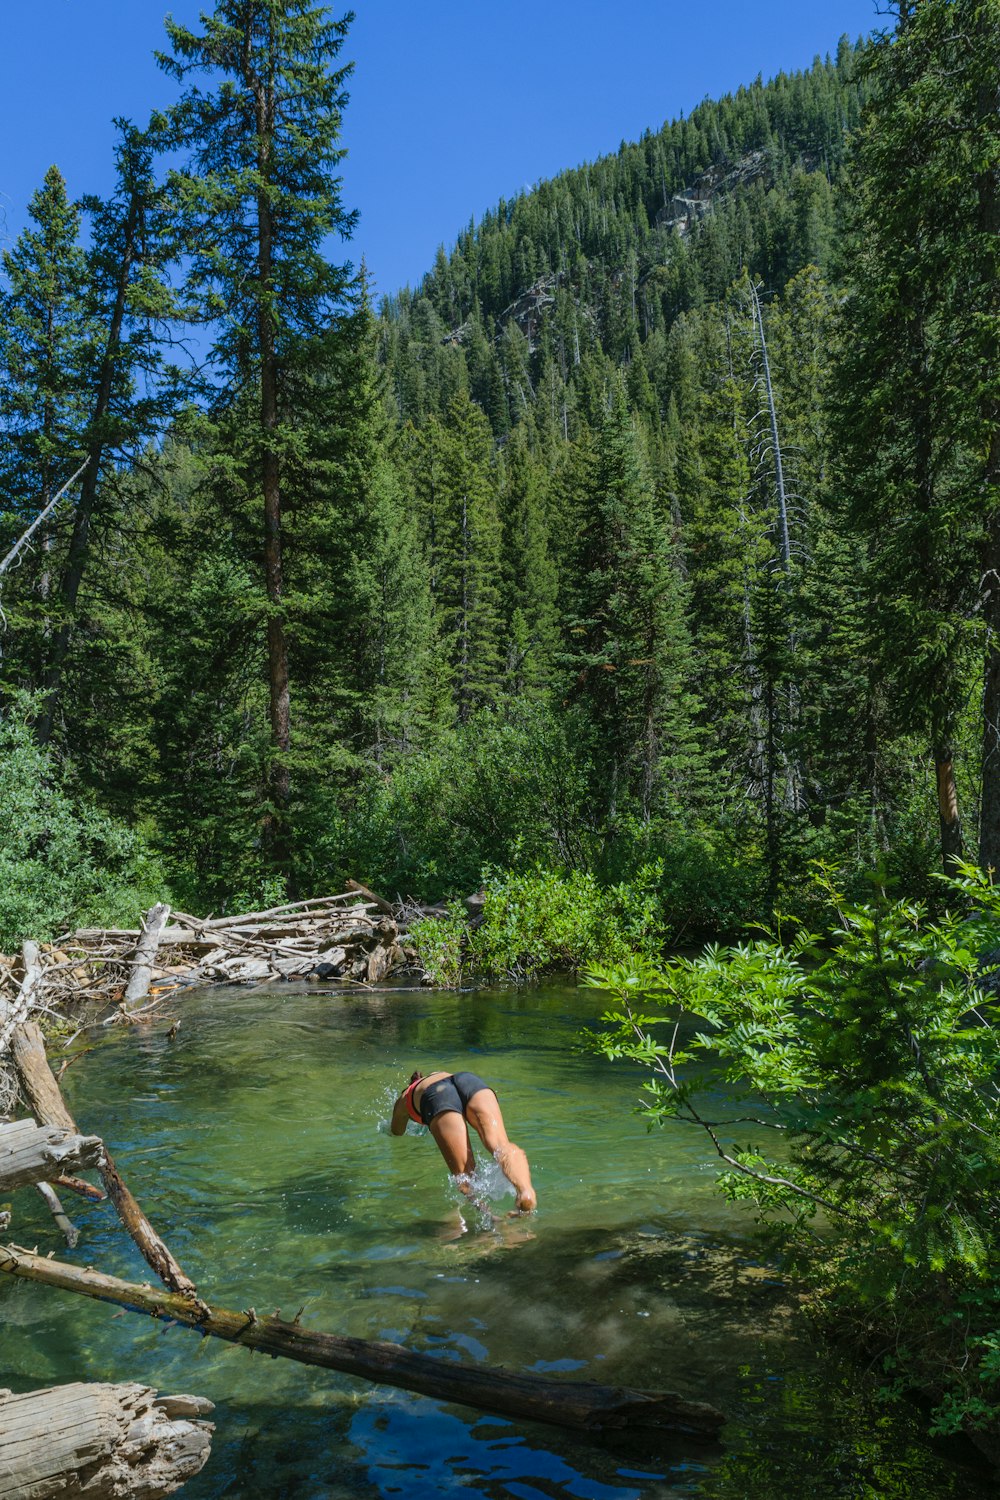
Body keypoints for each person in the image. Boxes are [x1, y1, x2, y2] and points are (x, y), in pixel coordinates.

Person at [390, 1069, 537, 1213]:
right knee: (501, 1146)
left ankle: (491, 1217)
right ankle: (526, 1191)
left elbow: (396, 1132)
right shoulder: (438, 1073)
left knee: (464, 1176)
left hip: (438, 1095)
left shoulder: (406, 1096)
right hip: (469, 1081)